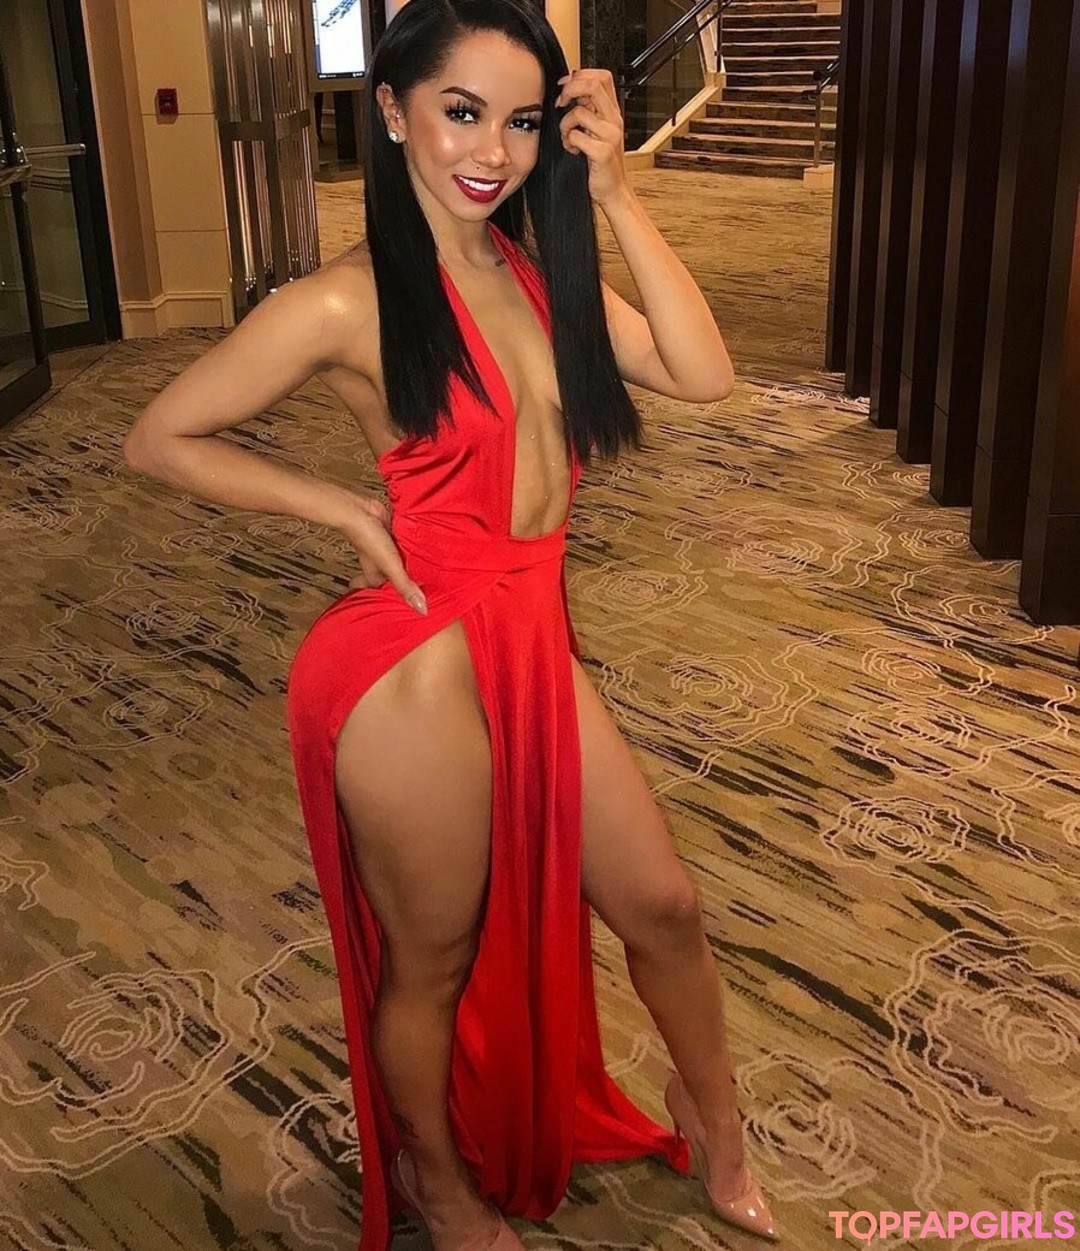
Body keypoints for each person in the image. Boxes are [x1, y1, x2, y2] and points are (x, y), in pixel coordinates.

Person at [123, 0, 777, 1248]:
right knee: (434, 958)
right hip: (415, 664)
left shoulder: (533, 269)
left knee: (665, 907)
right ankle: (437, 1179)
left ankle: (717, 1127)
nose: (493, 151)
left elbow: (704, 374)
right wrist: (339, 509)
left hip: (532, 635)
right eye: (461, 112)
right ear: (392, 111)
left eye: (522, 122)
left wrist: (616, 196)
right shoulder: (344, 303)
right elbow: (161, 438)